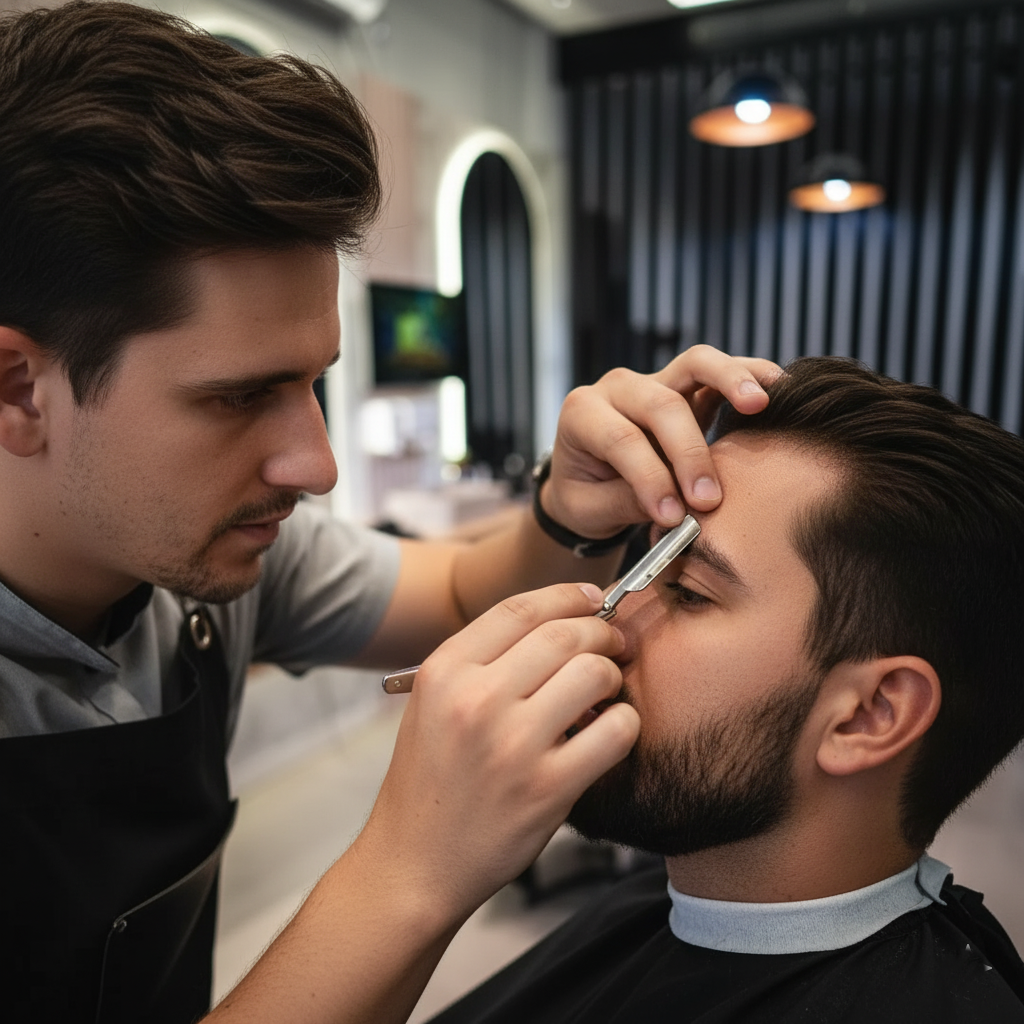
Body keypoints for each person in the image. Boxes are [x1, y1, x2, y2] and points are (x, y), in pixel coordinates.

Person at [0, 3, 780, 1023]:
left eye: (315, 382)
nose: (317, 464)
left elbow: (456, 591)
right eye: (238, 396)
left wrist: (565, 507)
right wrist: (411, 871)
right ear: (19, 388)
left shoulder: (208, 557)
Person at [426, 357, 1024, 1024]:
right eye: (645, 563)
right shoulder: (677, 895)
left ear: (870, 715)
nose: (607, 619)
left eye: (686, 591)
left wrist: (408, 878)